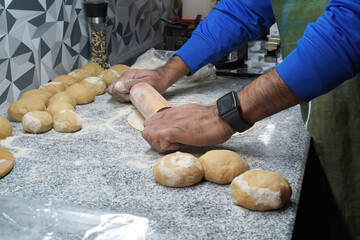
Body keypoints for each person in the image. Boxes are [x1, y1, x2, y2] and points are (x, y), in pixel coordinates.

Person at [108, 0, 359, 238]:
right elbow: (243, 8)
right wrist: (168, 71)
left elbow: (352, 24)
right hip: (312, 85)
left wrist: (221, 116)